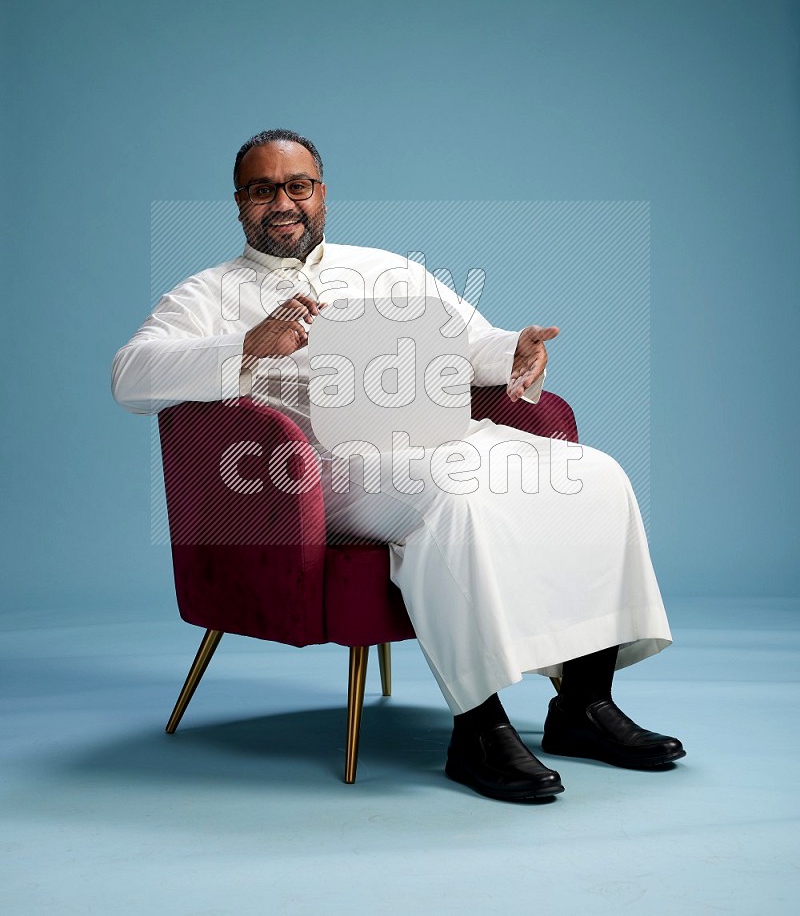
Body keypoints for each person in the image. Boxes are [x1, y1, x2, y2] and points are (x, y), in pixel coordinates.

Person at [112, 128, 685, 803]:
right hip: (321, 469)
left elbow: (474, 343)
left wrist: (516, 351)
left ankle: (584, 705)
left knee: (595, 476)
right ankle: (478, 727)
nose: (283, 201)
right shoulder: (205, 293)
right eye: (262, 189)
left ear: (322, 193)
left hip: (441, 434)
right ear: (239, 202)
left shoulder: (385, 267)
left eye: (298, 185)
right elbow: (129, 375)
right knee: (453, 499)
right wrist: (246, 346)